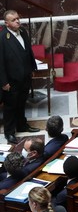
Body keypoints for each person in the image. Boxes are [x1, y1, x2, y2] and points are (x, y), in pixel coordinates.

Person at [0, 10, 37, 142]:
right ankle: (9, 132)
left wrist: (32, 68)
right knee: (10, 107)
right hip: (11, 81)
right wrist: (4, 82)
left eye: (17, 18)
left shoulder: (23, 32)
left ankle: (22, 125)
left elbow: (28, 52)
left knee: (22, 103)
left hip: (25, 77)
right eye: (14, 20)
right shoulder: (3, 38)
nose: (17, 21)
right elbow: (1, 62)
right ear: (7, 23)